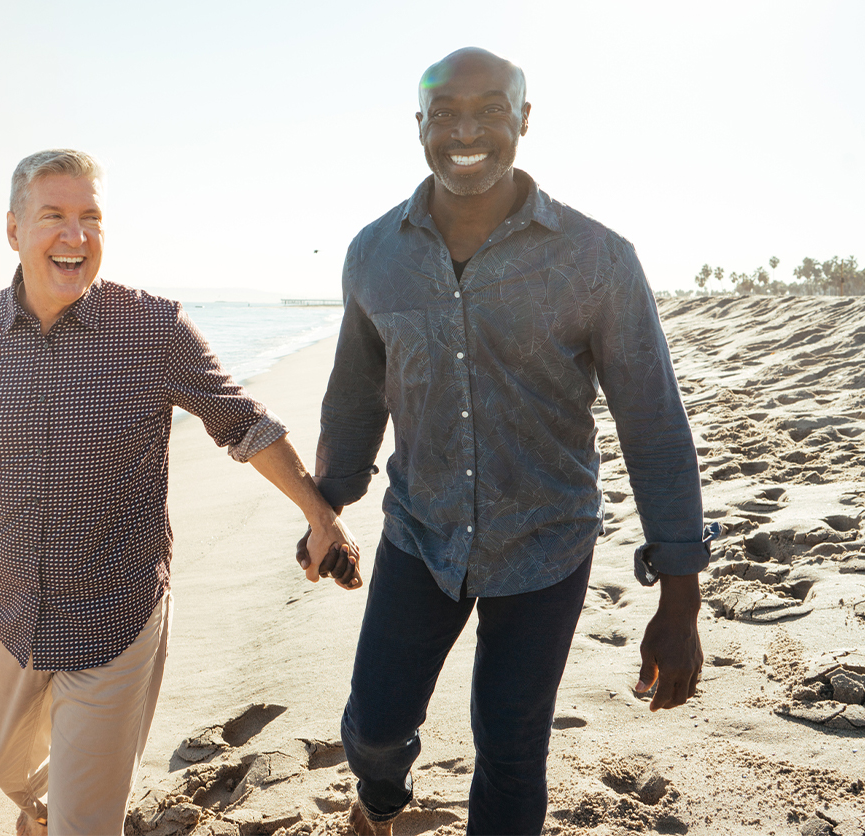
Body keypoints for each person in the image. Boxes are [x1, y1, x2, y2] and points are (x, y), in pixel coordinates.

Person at [0, 148, 362, 836]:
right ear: (13, 229)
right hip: (12, 613)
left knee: (86, 826)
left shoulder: (154, 330)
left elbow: (245, 424)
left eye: (91, 218)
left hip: (117, 618)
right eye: (53, 215)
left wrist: (321, 516)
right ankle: (42, 807)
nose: (75, 235)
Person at [308, 48, 718, 836]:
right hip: (419, 536)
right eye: (447, 112)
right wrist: (327, 506)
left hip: (546, 546)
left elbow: (655, 424)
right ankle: (380, 802)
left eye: (492, 110)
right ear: (419, 125)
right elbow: (357, 394)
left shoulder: (597, 258)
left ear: (524, 121)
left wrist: (681, 593)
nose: (468, 129)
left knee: (512, 747)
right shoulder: (373, 254)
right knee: (373, 728)